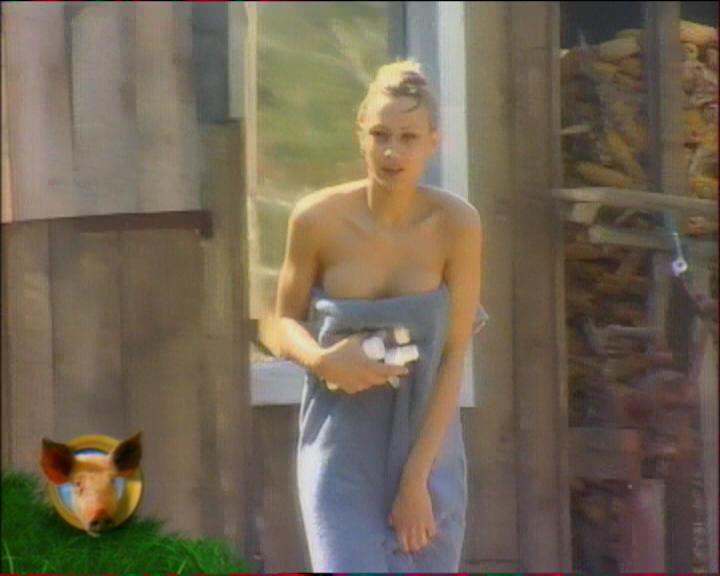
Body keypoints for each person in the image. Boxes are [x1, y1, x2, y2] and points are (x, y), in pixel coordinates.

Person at [272, 60, 483, 572]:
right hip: (342, 449)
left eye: (408, 138)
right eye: (380, 135)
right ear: (360, 135)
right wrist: (322, 361)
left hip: (427, 447)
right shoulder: (317, 218)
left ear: (433, 143)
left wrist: (416, 482)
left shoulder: (457, 224)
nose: (392, 152)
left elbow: (454, 354)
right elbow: (279, 324)